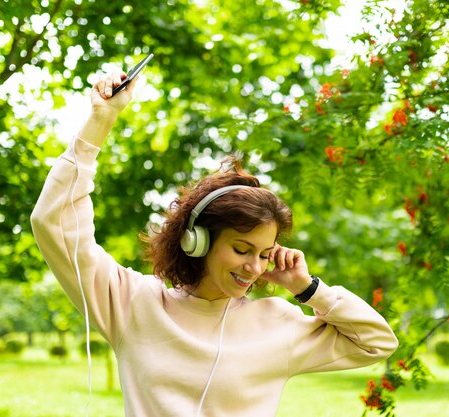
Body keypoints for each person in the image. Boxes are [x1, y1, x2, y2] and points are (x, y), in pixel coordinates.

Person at [31, 70, 398, 417]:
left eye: (265, 255)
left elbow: (376, 342)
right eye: (242, 249)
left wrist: (309, 289)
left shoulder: (277, 322)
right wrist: (101, 120)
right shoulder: (133, 304)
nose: (255, 267)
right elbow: (54, 222)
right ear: (197, 240)